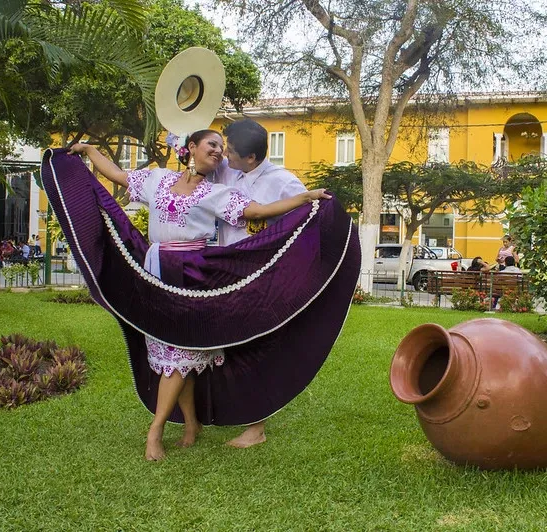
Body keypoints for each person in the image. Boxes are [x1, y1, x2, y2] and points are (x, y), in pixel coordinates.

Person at [64, 129, 352, 461]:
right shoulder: (157, 179)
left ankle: (155, 430)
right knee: (170, 350)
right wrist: (88, 149)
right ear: (190, 148)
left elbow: (257, 212)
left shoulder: (215, 192)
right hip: (156, 270)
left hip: (192, 275)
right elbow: (116, 173)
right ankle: (190, 425)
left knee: (180, 351)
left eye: (221, 146)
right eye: (211, 145)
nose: (218, 151)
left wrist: (304, 198)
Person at [214, 118, 308, 448]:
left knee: (252, 348)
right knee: (227, 346)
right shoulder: (228, 171)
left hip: (259, 277)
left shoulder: (283, 183)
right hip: (225, 273)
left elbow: (307, 222)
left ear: (252, 158)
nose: (226, 155)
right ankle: (234, 410)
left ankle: (256, 428)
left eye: (232, 152)